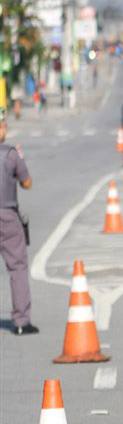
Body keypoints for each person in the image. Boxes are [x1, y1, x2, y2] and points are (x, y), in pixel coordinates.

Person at [0, 114, 37, 335]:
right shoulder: (10, 154)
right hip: (6, 215)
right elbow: (27, 183)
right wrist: (21, 159)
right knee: (17, 267)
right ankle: (22, 321)